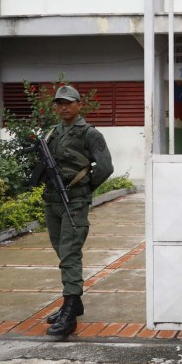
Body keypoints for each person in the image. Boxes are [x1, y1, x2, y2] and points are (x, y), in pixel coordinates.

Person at [42, 85, 114, 336]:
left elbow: (105, 167)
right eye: (59, 103)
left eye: (68, 102)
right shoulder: (52, 132)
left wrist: (84, 187)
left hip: (74, 202)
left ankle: (69, 312)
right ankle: (74, 304)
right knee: (62, 252)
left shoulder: (90, 134)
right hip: (52, 202)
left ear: (79, 105)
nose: (63, 107)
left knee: (70, 254)